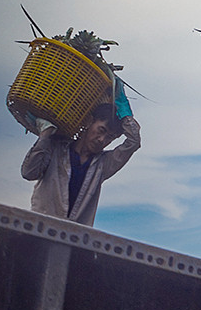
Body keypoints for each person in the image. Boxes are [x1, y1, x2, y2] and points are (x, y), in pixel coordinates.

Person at [21, 91, 140, 226]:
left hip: (73, 240)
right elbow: (28, 173)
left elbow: (134, 142)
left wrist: (124, 110)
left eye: (110, 137)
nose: (102, 140)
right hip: (39, 229)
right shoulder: (56, 148)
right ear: (90, 122)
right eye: (101, 131)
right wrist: (45, 135)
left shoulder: (103, 165)